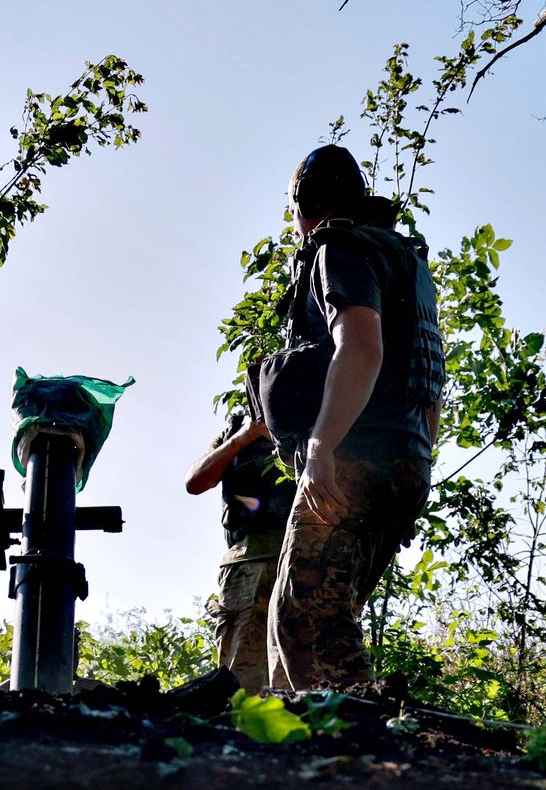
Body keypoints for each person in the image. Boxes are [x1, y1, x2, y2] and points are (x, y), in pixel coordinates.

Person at [265, 144, 445, 690]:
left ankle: (356, 750)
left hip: (355, 455)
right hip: (406, 456)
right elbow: (429, 382)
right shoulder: (406, 263)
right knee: (296, 611)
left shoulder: (337, 247)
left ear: (301, 206)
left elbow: (360, 347)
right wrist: (413, 475)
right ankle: (292, 755)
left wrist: (320, 449)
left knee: (309, 620)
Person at [185, 413, 295, 695]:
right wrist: (244, 436)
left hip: (303, 557)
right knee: (240, 683)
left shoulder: (306, 413)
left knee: (302, 673)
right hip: (247, 564)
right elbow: (195, 482)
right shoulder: (236, 430)